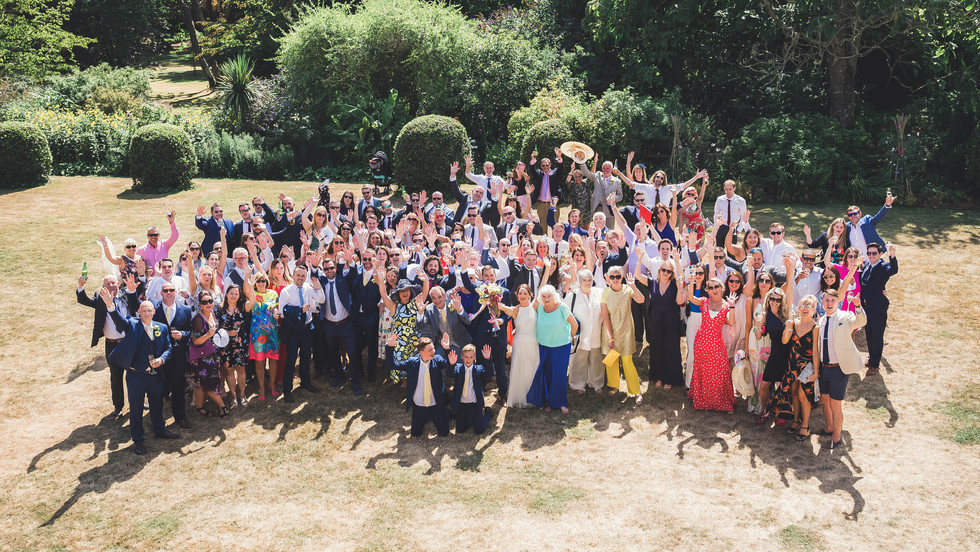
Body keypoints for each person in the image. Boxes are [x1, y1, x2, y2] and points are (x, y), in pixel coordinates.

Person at [102, 290, 179, 455]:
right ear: (139, 311)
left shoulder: (161, 328)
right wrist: (110, 305)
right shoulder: (132, 324)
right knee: (136, 409)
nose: (146, 313)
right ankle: (138, 440)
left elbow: (168, 348)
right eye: (143, 310)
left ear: (154, 312)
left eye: (149, 310)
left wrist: (162, 359)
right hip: (135, 375)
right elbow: (119, 321)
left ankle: (159, 430)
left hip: (155, 375)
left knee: (156, 404)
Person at [77, 273, 135, 417]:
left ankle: (138, 401)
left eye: (113, 283)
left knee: (134, 374)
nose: (111, 286)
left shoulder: (126, 295)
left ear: (118, 284)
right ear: (103, 286)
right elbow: (84, 300)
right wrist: (80, 286)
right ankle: (118, 406)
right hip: (112, 345)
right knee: (115, 376)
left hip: (129, 343)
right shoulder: (100, 298)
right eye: (107, 284)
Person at [816, 289, 866, 450]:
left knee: (835, 404)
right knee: (824, 400)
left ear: (838, 302)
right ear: (822, 302)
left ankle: (836, 438)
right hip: (823, 368)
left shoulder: (845, 317)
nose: (829, 303)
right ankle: (829, 427)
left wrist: (857, 306)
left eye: (833, 300)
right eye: (827, 300)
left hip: (839, 369)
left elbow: (861, 322)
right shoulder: (821, 320)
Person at [771, 295, 819, 441]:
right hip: (792, 364)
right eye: (802, 306)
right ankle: (796, 420)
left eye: (808, 306)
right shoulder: (794, 323)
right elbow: (785, 341)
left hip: (807, 366)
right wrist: (787, 328)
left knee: (804, 396)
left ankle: (805, 426)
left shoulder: (815, 327)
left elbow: (815, 351)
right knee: (794, 394)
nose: (805, 309)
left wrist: (816, 371)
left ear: (813, 309)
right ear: (798, 308)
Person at [685, 277, 736, 412]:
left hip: (716, 343)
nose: (714, 289)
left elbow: (731, 322)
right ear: (708, 290)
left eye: (716, 286)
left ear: (721, 288)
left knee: (719, 371)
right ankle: (703, 399)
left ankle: (720, 400)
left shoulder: (726, 305)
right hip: (701, 342)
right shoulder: (704, 302)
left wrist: (732, 305)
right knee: (703, 370)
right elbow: (690, 297)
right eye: (711, 287)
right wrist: (691, 282)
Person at [635, 252, 685, 389]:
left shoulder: (674, 284)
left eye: (669, 271)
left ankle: (669, 378)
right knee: (657, 347)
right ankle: (659, 376)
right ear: (659, 270)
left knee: (671, 348)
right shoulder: (652, 282)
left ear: (671, 273)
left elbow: (682, 278)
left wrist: (677, 261)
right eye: (664, 270)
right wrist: (639, 259)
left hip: (671, 320)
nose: (666, 273)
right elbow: (638, 275)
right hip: (656, 320)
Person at [385, 335, 450, 437]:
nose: (433, 351)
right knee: (415, 434)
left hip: (435, 405)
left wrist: (446, 349)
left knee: (444, 433)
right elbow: (392, 365)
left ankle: (445, 413)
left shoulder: (437, 360)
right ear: (421, 352)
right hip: (419, 406)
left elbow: (450, 366)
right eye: (430, 350)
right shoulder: (412, 363)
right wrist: (390, 347)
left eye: (433, 348)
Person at [316, 257, 364, 394]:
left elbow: (353, 274)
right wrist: (313, 265)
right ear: (323, 270)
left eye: (332, 268)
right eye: (326, 269)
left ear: (336, 268)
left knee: (352, 353)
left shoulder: (343, 280)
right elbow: (313, 276)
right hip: (329, 325)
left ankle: (355, 381)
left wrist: (351, 261)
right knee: (333, 352)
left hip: (346, 324)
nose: (329, 271)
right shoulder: (321, 282)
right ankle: (339, 375)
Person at [527, 285, 578, 413]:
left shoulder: (562, 307)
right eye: (543, 296)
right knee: (547, 374)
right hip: (544, 346)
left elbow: (575, 325)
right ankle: (548, 401)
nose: (546, 299)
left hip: (561, 346)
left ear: (554, 296)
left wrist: (570, 338)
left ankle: (561, 403)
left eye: (549, 296)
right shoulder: (540, 308)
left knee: (559, 375)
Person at [278, 264, 325, 403]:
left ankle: (305, 382)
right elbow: (282, 312)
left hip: (306, 328)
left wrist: (318, 288)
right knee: (291, 360)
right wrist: (299, 310)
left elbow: (321, 300)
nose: (300, 278)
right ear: (293, 276)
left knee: (306, 357)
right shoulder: (286, 291)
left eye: (303, 276)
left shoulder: (308, 288)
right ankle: (287, 390)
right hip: (292, 330)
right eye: (298, 275)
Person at [600, 266, 645, 404]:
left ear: (622, 277)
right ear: (608, 278)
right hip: (610, 331)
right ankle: (614, 385)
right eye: (612, 277)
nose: (615, 279)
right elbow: (605, 316)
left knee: (627, 361)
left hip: (626, 331)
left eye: (618, 276)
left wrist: (633, 285)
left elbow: (641, 300)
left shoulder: (627, 289)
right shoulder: (605, 293)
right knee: (612, 361)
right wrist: (610, 337)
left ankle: (636, 391)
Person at [150, 281, 193, 428]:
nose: (168, 293)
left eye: (171, 290)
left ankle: (180, 417)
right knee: (158, 389)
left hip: (178, 356)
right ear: (161, 293)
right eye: (165, 290)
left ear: (175, 292)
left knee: (178, 388)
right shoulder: (153, 310)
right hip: (159, 356)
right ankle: (157, 420)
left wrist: (182, 334)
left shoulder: (185, 310)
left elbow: (190, 331)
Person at [376, 270, 428, 384]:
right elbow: (384, 296)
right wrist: (381, 281)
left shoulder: (416, 302)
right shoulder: (394, 306)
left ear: (411, 291)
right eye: (402, 291)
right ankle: (404, 382)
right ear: (398, 294)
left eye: (407, 290)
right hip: (400, 341)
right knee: (401, 360)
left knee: (415, 361)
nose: (405, 293)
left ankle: (414, 381)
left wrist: (425, 281)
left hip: (415, 339)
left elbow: (425, 293)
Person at [187, 290, 229, 418]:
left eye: (210, 301)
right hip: (203, 357)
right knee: (209, 383)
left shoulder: (213, 314)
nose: (208, 304)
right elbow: (195, 341)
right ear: (199, 304)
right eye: (204, 302)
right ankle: (223, 407)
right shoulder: (198, 319)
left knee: (201, 384)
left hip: (213, 354)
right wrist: (208, 335)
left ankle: (199, 407)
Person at [497, 284, 539, 408]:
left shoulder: (534, 306)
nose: (522, 296)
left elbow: (542, 286)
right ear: (517, 295)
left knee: (532, 369)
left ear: (530, 295)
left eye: (525, 293)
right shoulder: (515, 310)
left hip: (533, 343)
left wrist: (547, 272)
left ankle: (534, 397)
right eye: (520, 293)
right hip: (520, 344)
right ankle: (520, 398)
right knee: (520, 370)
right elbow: (500, 306)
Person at [563, 270, 604, 394]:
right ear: (579, 281)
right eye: (584, 280)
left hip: (596, 331)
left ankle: (596, 382)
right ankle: (578, 383)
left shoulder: (599, 292)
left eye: (589, 280)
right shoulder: (572, 295)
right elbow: (564, 313)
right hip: (580, 333)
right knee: (578, 359)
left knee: (596, 358)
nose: (587, 283)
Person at [860, 242, 898, 376]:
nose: (871, 255)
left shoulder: (883, 266)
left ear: (880, 254)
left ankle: (875, 364)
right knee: (869, 334)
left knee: (877, 336)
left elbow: (893, 270)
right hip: (866, 307)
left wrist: (892, 255)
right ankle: (871, 358)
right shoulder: (866, 265)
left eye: (874, 253)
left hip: (878, 307)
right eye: (869, 253)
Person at [244, 271, 279, 400]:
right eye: (258, 281)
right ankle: (261, 388)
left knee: (273, 360)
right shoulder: (252, 294)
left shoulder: (273, 293)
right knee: (259, 362)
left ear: (266, 282)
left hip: (272, 332)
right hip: (257, 334)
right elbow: (248, 306)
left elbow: (276, 308)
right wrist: (248, 279)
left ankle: (272, 385)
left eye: (263, 280)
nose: (261, 283)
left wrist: (276, 313)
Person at [448, 344, 494, 434]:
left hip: (475, 405)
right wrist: (452, 364)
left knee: (479, 431)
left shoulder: (479, 369)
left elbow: (490, 374)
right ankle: (470, 419)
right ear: (462, 356)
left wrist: (488, 359)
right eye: (466, 357)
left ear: (475, 357)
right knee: (460, 430)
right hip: (461, 405)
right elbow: (450, 374)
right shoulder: (458, 368)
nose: (468, 360)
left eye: (471, 357)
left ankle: (488, 413)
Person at [416, 287, 471, 358]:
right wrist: (420, 313)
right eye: (434, 298)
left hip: (458, 342)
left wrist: (459, 310)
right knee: (436, 361)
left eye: (439, 297)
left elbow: (468, 321)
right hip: (440, 344)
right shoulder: (429, 309)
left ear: (444, 296)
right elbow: (421, 326)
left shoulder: (454, 304)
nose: (437, 300)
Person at [218, 285, 249, 407]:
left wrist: (249, 283)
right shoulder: (219, 309)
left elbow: (252, 300)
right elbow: (215, 327)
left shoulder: (242, 308)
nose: (234, 296)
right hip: (225, 345)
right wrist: (227, 332)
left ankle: (242, 395)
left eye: (236, 294)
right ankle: (234, 396)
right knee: (229, 370)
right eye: (231, 293)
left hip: (240, 344)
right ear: (226, 294)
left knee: (241, 369)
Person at [846, 192, 895, 257]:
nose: (853, 216)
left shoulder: (867, 221)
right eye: (850, 214)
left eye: (855, 213)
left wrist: (887, 205)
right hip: (855, 258)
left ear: (860, 214)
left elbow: (879, 217)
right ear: (848, 217)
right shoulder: (846, 227)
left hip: (871, 257)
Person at [578, 155, 622, 228]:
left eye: (607, 168)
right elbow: (587, 173)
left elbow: (620, 196)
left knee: (610, 230)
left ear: (611, 170)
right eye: (604, 168)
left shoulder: (617, 181)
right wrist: (582, 163)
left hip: (609, 209)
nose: (605, 170)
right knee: (597, 229)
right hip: (597, 207)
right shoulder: (597, 176)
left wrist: (613, 198)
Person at [528, 147, 564, 230]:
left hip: (553, 204)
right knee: (543, 226)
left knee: (555, 226)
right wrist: (533, 159)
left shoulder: (554, 173)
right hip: (541, 204)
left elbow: (560, 169)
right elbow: (532, 170)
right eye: (543, 165)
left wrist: (559, 157)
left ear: (550, 165)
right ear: (541, 166)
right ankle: (544, 239)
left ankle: (555, 239)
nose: (545, 167)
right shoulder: (539, 174)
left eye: (547, 165)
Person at [136, 211, 180, 276]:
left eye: (155, 235)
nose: (153, 237)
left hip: (164, 277)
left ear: (159, 235)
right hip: (150, 279)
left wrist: (172, 222)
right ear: (147, 236)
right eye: (151, 235)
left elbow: (175, 236)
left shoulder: (164, 245)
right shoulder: (141, 250)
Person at [712, 179, 749, 247]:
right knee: (719, 249)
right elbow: (716, 214)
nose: (728, 191)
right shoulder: (720, 199)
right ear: (724, 188)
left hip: (733, 227)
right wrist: (716, 227)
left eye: (730, 189)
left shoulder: (741, 201)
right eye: (726, 189)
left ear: (734, 188)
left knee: (731, 250)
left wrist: (738, 230)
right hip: (721, 227)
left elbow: (743, 217)